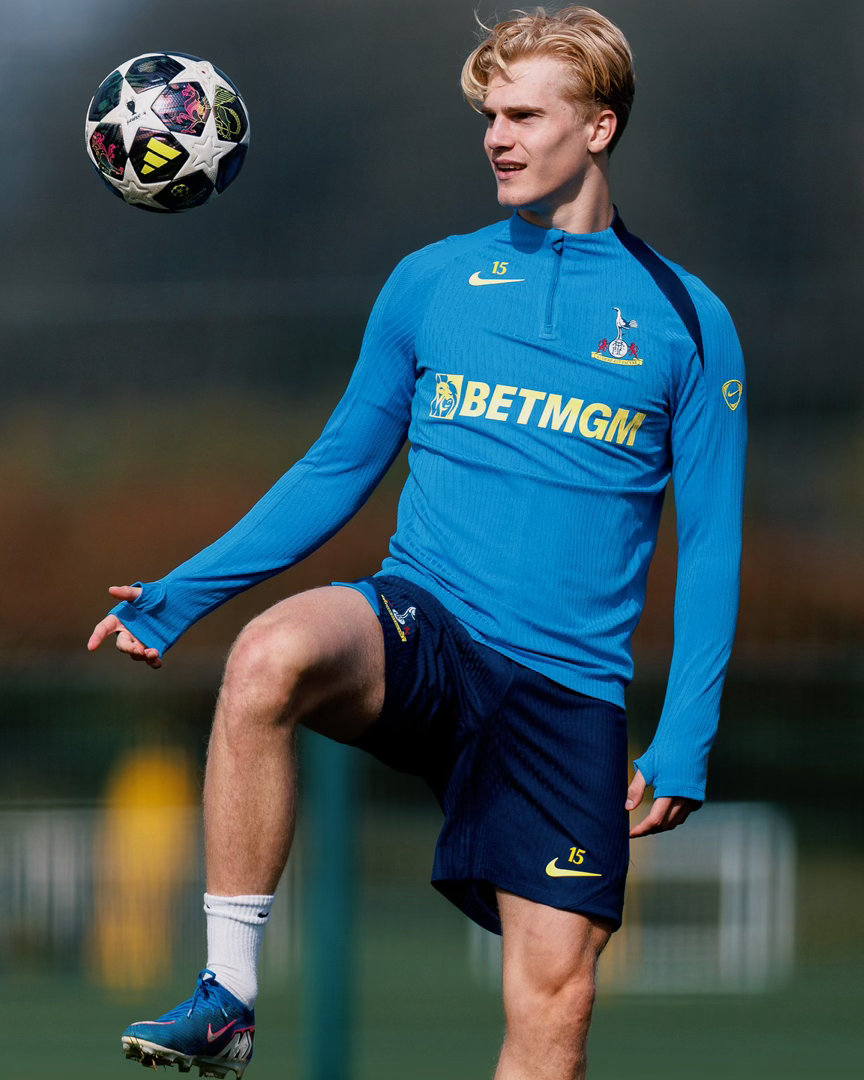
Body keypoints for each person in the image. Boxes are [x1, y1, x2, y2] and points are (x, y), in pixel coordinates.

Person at [88, 7, 747, 1079]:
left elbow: (713, 545)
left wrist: (686, 737)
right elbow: (335, 470)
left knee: (555, 1012)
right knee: (268, 659)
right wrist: (180, 594)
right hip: (425, 627)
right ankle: (227, 998)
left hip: (565, 697)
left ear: (600, 127)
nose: (498, 137)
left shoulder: (691, 321)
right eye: (490, 116)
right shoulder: (430, 282)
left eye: (525, 115)